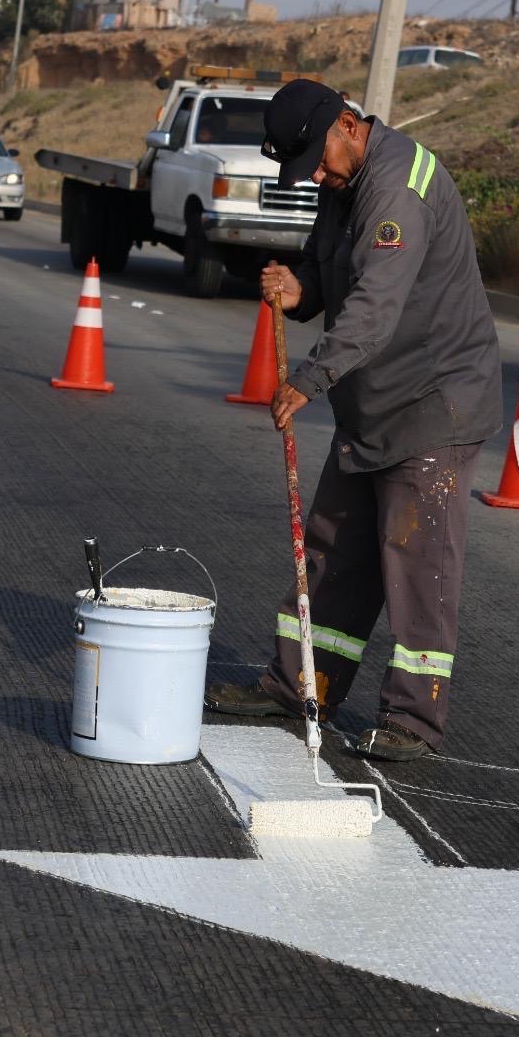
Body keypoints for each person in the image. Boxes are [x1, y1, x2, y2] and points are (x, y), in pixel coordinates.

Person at [204, 80, 502, 762]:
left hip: (432, 404)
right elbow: (328, 268)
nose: (313, 173)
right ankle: (302, 684)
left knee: (417, 561)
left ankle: (413, 721)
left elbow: (374, 306)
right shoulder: (343, 180)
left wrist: (308, 377)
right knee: (334, 552)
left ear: (348, 123)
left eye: (315, 156)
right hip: (371, 403)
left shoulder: (397, 189)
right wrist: (299, 288)